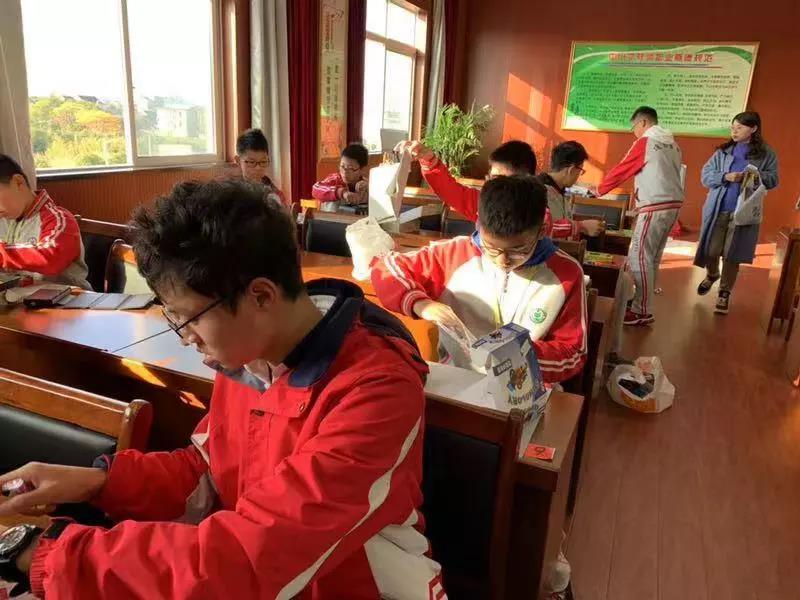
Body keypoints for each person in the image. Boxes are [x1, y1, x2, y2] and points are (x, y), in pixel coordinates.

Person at [0, 180, 444, 598]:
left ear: (261, 297)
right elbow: (208, 470)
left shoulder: (376, 390)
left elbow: (251, 556)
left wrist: (48, 555)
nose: (184, 337)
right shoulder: (251, 354)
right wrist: (96, 482)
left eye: (188, 318)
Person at [372, 175, 587, 384]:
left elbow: (573, 352)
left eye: (518, 250)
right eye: (491, 247)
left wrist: (520, 354)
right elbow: (386, 267)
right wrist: (421, 304)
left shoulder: (566, 274)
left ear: (541, 232)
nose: (502, 260)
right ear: (478, 225)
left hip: (526, 384)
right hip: (457, 378)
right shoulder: (453, 254)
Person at [597, 106, 684, 326]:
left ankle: (641, 311)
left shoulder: (646, 141)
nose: (634, 132)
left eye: (633, 126)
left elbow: (623, 168)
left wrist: (598, 190)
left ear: (643, 122)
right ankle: (643, 304)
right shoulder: (672, 144)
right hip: (672, 205)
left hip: (654, 205)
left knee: (638, 256)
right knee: (652, 258)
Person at [694, 111, 779, 314]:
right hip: (718, 208)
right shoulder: (724, 151)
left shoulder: (766, 153)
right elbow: (705, 175)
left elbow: (774, 179)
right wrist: (725, 176)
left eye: (739, 127)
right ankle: (712, 274)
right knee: (711, 250)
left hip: (744, 212)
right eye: (733, 127)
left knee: (732, 254)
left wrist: (756, 176)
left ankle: (724, 292)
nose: (734, 131)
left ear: (753, 128)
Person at [0, 154, 89, 289]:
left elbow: (51, 258)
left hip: (69, 299)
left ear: (18, 182)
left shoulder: (59, 219)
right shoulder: (3, 220)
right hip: (18, 299)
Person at [538, 141, 603, 240]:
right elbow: (540, 229)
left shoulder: (560, 191)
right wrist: (582, 226)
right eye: (580, 171)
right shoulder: (539, 191)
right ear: (571, 170)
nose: (579, 176)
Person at [233, 128, 289, 209]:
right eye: (252, 162)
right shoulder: (231, 193)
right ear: (238, 161)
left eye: (263, 161)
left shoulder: (275, 194)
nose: (258, 168)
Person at [312, 143, 369, 211]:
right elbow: (315, 189)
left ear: (362, 170)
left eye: (350, 168)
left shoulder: (365, 184)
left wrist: (369, 189)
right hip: (331, 216)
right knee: (334, 199)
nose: (344, 172)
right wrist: (341, 193)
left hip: (355, 217)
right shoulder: (335, 179)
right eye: (342, 166)